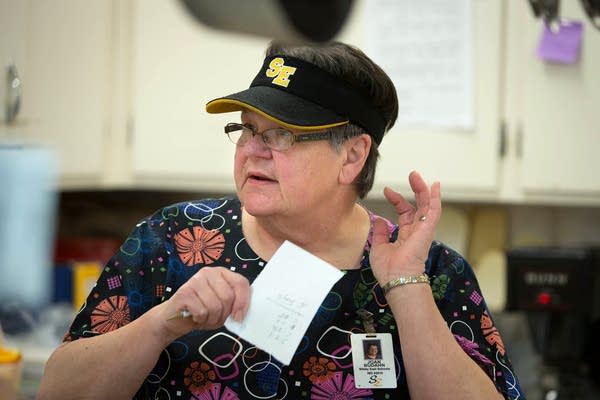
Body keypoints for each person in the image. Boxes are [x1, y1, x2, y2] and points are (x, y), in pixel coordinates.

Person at [38, 40, 524, 399]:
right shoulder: (172, 239)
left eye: (283, 135)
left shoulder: (431, 271)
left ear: (352, 157)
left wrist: (406, 288)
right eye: (246, 130)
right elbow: (57, 393)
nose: (252, 151)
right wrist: (162, 324)